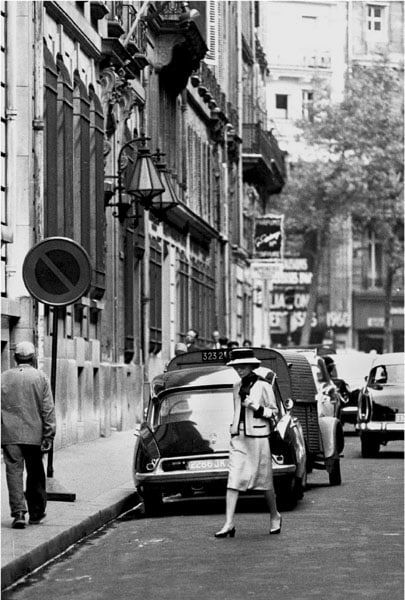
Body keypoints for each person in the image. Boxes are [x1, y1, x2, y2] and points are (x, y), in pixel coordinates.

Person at [215, 348, 282, 538]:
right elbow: (236, 411)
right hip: (239, 438)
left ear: (252, 366)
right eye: (236, 367)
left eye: (243, 366)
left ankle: (274, 515)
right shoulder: (236, 386)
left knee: (265, 481)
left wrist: (255, 406)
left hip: (259, 438)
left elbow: (274, 412)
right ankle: (229, 523)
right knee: (233, 478)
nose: (239, 370)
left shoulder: (263, 386)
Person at [1, 341, 56, 529]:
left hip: (10, 434)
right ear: (33, 358)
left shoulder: (4, 378)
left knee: (13, 472)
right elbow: (48, 409)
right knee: (35, 473)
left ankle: (18, 513)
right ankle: (36, 512)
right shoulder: (40, 377)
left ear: (15, 358)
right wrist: (49, 435)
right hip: (35, 434)